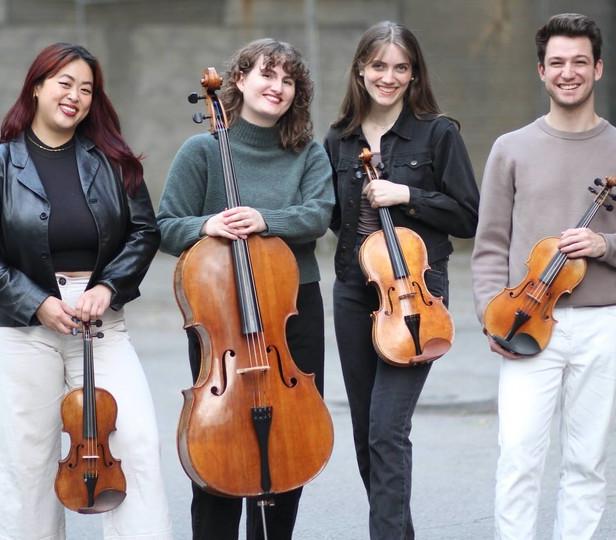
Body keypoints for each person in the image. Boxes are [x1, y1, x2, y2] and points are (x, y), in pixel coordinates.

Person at [157, 38, 334, 540]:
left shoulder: (306, 153)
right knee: (220, 442)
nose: (277, 87)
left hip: (292, 312)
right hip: (220, 315)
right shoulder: (202, 151)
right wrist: (206, 225)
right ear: (238, 79)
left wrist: (265, 218)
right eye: (266, 74)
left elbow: (318, 214)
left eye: (287, 79)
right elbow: (167, 225)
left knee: (289, 440)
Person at [0, 43, 172, 540]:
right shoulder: (3, 161)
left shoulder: (111, 160)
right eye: (64, 83)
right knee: (26, 465)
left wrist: (110, 286)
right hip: (24, 329)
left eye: (86, 88)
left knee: (134, 445)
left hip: (103, 326)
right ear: (36, 86)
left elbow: (145, 232)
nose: (75, 96)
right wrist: (35, 302)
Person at [324, 20, 479, 540]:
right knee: (367, 434)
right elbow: (329, 218)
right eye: (379, 66)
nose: (388, 77)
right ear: (360, 70)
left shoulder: (439, 134)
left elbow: (468, 216)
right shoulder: (339, 140)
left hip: (418, 297)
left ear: (414, 75)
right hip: (354, 293)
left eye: (401, 67)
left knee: (388, 431)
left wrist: (406, 195)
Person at [471, 13, 616, 540]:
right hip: (529, 322)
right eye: (557, 62)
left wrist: (605, 244)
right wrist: (492, 316)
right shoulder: (511, 148)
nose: (568, 72)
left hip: (604, 324)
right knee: (519, 457)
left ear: (598, 68)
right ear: (541, 70)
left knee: (587, 462)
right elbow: (489, 246)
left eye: (580, 61)